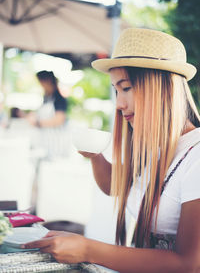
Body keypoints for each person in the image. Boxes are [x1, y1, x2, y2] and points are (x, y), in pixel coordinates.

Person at [23, 28, 200, 273]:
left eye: (125, 88)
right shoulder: (157, 149)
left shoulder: (196, 156)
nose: (119, 103)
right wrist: (96, 156)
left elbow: (189, 264)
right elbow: (115, 186)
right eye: (116, 90)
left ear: (160, 86)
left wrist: (87, 249)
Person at [27, 70, 68, 159]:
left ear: (48, 81)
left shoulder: (59, 99)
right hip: (45, 142)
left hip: (56, 143)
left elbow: (59, 120)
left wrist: (38, 123)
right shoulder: (46, 98)